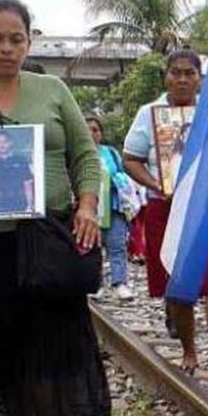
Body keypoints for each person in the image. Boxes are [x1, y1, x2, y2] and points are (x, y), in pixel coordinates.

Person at [0, 0, 110, 416]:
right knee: (5, 356)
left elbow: (84, 156)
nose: (6, 48)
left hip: (46, 243)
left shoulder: (53, 91)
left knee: (52, 353)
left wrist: (87, 206)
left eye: (17, 39)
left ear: (29, 43)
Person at [123, 49, 208, 388]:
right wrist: (156, 184)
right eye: (175, 73)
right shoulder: (149, 114)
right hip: (165, 208)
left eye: (189, 73)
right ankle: (190, 351)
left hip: (206, 208)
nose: (181, 79)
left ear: (200, 79)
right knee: (178, 286)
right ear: (165, 77)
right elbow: (130, 159)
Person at [86, 115, 135, 301]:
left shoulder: (111, 153)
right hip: (90, 210)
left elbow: (124, 177)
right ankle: (95, 284)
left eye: (95, 130)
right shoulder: (77, 153)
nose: (91, 134)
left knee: (117, 246)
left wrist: (114, 181)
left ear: (101, 133)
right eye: (87, 129)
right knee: (91, 248)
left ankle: (119, 283)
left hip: (113, 208)